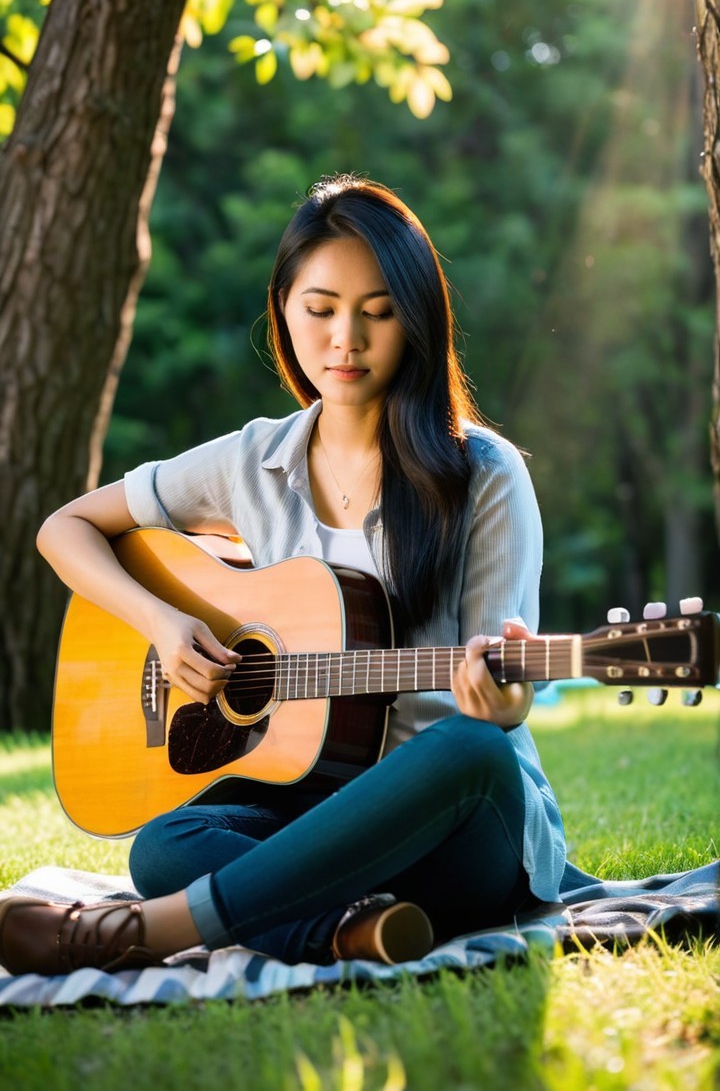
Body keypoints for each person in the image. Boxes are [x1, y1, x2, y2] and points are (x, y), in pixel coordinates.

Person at [0, 174, 566, 976]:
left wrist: (504, 704)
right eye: (321, 308)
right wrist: (161, 622)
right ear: (284, 309)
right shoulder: (251, 461)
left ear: (417, 320)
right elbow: (67, 528)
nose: (347, 339)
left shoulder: (484, 473)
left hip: (454, 830)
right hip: (310, 810)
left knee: (468, 750)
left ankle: (153, 932)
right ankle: (344, 929)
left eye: (377, 312)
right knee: (168, 840)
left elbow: (501, 696)